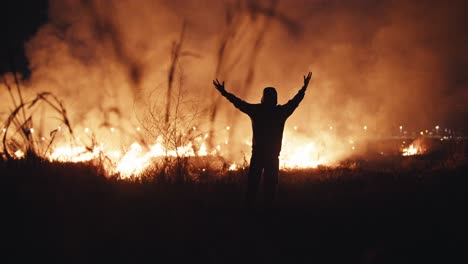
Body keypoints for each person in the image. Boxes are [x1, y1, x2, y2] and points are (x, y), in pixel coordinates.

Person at [213, 72, 312, 208]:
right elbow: (295, 102)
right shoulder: (281, 112)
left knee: (252, 186)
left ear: (263, 98)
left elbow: (238, 103)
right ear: (275, 99)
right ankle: (267, 215)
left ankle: (249, 213)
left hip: (258, 156)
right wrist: (304, 88)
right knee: (270, 188)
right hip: (272, 157)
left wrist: (224, 92)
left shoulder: (256, 110)